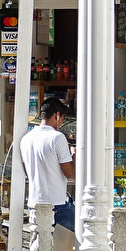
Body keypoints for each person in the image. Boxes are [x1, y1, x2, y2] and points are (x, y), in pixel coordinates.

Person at [17, 97, 76, 233]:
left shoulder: (26, 138)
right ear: (56, 115)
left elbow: (27, 170)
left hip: (34, 203)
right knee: (83, 235)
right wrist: (74, 155)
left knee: (40, 243)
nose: (61, 122)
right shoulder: (57, 137)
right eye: (62, 118)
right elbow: (69, 173)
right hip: (57, 204)